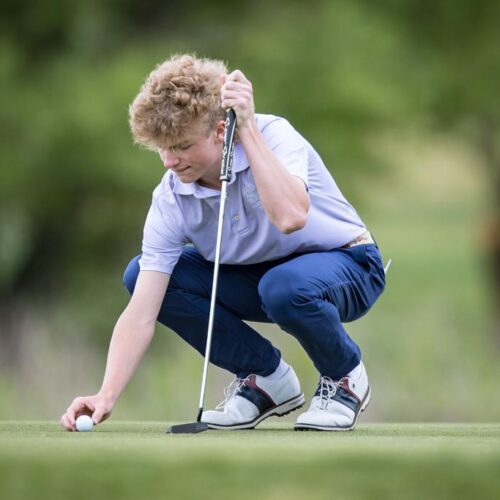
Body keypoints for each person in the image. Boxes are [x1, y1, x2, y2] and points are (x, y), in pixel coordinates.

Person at [60, 54, 386, 432]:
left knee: (283, 286)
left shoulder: (274, 135)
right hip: (265, 280)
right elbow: (142, 312)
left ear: (219, 130)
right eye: (161, 148)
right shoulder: (171, 197)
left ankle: (345, 377)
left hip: (350, 265)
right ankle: (265, 379)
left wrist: (246, 128)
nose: (169, 161)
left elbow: (290, 217)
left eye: (181, 146)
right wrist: (106, 394)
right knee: (141, 275)